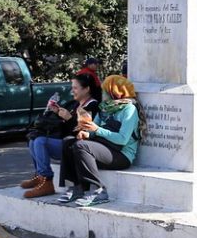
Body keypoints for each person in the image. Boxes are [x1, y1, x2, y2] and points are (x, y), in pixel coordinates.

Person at [58, 75, 146, 206]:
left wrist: (97, 130)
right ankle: (76, 187)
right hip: (105, 147)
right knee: (68, 142)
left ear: (114, 91)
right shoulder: (105, 107)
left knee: (81, 146)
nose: (103, 93)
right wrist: (86, 134)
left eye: (105, 91)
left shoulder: (129, 109)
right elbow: (93, 129)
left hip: (122, 155)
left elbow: (122, 139)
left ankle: (99, 191)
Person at [20, 74, 101, 198]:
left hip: (76, 145)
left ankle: (47, 182)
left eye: (75, 88)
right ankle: (40, 176)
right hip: (65, 141)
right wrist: (57, 112)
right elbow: (64, 126)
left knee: (40, 141)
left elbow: (84, 131)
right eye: (72, 87)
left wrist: (69, 118)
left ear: (86, 89)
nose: (72, 91)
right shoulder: (75, 104)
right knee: (33, 139)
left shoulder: (92, 106)